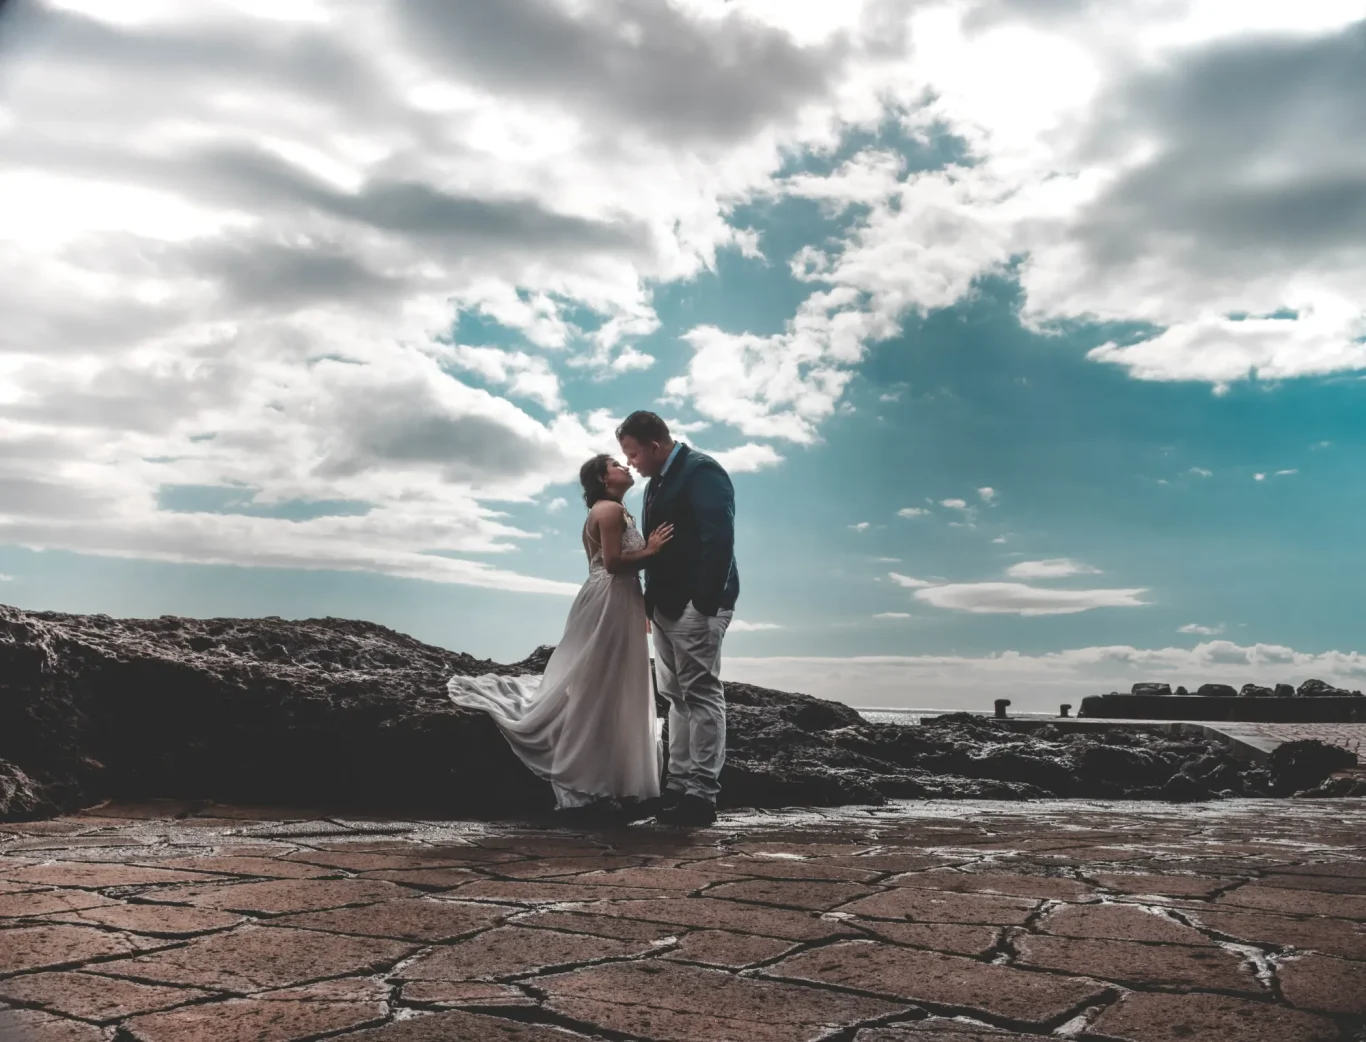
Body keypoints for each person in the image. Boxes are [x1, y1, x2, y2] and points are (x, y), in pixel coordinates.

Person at [446, 455, 673, 824]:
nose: (625, 467)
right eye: (617, 464)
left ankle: (609, 778)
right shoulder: (610, 511)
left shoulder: (615, 510)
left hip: (618, 598)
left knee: (608, 683)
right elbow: (614, 563)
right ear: (602, 478)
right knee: (602, 684)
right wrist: (651, 550)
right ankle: (591, 779)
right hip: (610, 598)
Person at [617, 411, 739, 827]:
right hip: (666, 607)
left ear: (653, 446)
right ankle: (678, 786)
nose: (631, 462)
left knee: (701, 694)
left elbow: (718, 538)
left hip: (697, 605)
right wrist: (652, 604)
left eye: (633, 453)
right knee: (675, 697)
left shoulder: (702, 471)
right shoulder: (656, 483)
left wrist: (703, 605)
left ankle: (702, 795)